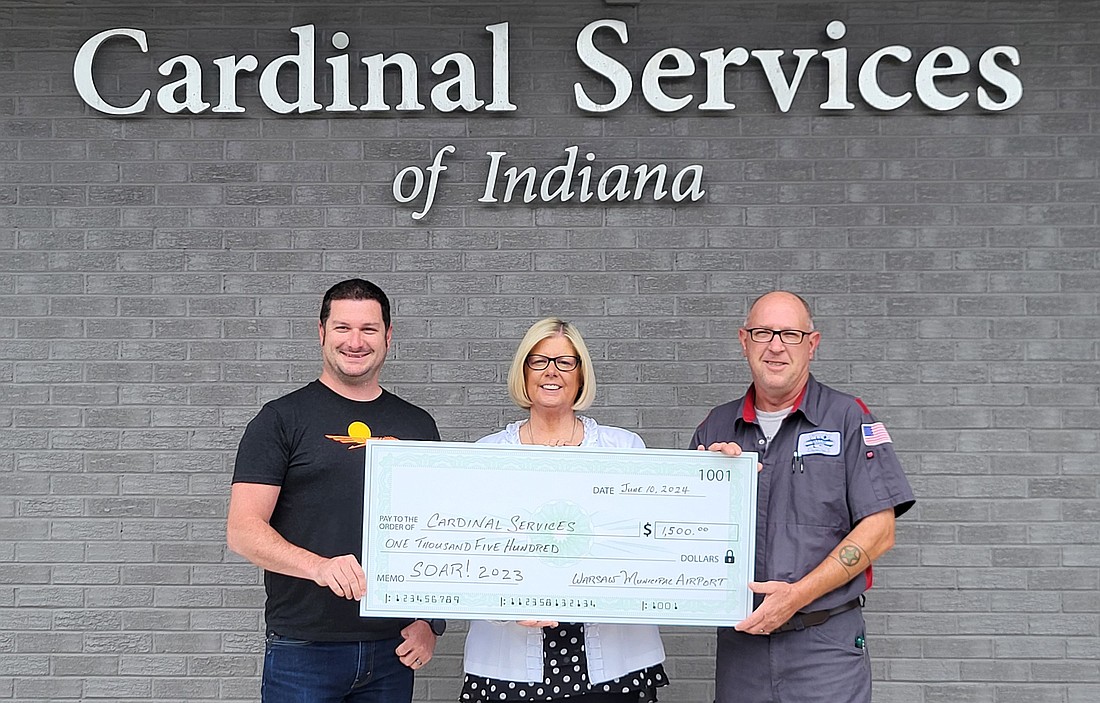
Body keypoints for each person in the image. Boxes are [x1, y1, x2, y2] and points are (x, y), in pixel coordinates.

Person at [227, 278, 445, 703]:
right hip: (305, 650)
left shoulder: (418, 425)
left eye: (369, 329)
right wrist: (319, 567)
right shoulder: (281, 419)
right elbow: (243, 531)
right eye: (343, 327)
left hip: (391, 650)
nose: (356, 341)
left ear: (388, 335)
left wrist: (429, 622)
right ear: (322, 332)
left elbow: (435, 530)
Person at [691, 291, 915, 703]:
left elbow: (881, 531)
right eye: (763, 333)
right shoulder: (715, 427)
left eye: (790, 334)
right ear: (744, 341)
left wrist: (797, 596)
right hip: (744, 651)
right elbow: (685, 538)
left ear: (812, 344)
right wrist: (709, 483)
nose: (775, 345)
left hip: (825, 648)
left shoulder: (848, 417)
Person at [461, 318, 668, 703]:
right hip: (509, 662)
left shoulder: (623, 449)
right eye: (538, 361)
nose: (551, 371)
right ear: (523, 372)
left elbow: (650, 543)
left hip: (614, 663)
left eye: (565, 362)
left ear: (581, 373)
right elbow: (467, 556)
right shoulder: (487, 454)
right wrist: (503, 607)